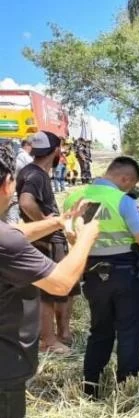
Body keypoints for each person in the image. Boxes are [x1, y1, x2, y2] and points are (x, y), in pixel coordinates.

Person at [0, 153, 99, 418]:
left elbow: (16, 232)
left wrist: (61, 221)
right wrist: (87, 238)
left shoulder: (7, 235)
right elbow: (60, 283)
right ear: (7, 185)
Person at [63, 156, 139, 398]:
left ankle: (90, 386)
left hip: (92, 274)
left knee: (100, 330)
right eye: (131, 183)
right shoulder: (122, 201)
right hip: (126, 274)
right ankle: (127, 389)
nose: (130, 188)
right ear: (124, 178)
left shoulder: (73, 198)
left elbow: (71, 236)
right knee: (130, 331)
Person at [16, 131, 77, 353]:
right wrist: (44, 223)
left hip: (49, 239)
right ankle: (49, 341)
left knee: (64, 288)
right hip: (47, 242)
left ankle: (62, 334)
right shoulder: (36, 175)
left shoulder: (33, 171)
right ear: (55, 151)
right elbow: (25, 202)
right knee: (48, 292)